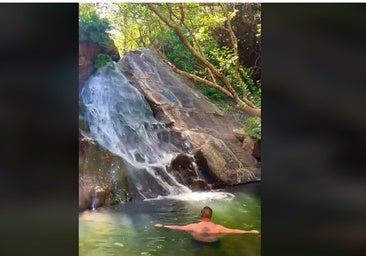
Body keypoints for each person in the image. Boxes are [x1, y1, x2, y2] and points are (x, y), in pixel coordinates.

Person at [154, 206, 259, 243]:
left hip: (197, 243)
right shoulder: (218, 228)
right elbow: (234, 231)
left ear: (201, 215)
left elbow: (177, 227)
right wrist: (250, 231)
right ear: (211, 216)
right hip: (214, 243)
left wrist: (162, 226)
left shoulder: (193, 226)